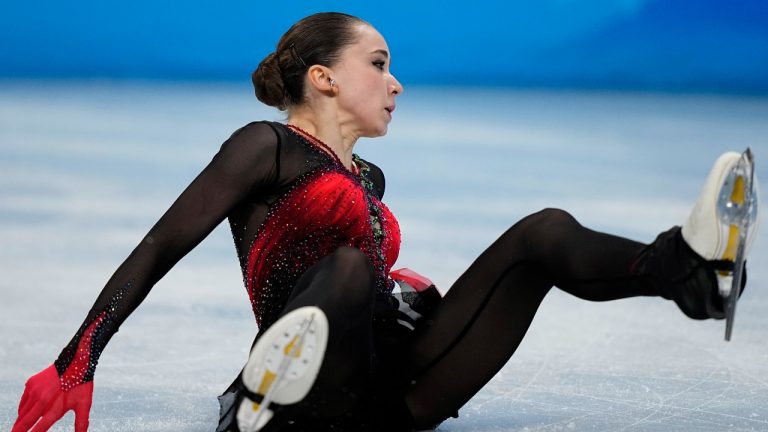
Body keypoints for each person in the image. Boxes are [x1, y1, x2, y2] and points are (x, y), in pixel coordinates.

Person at [11, 11, 759, 432]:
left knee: (543, 228)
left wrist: (401, 292)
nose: (396, 81)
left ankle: (688, 273)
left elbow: (373, 276)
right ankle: (264, 405)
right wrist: (79, 360)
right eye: (379, 62)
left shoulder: (369, 178)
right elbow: (160, 244)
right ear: (324, 77)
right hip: (311, 393)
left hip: (396, 391)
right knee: (344, 268)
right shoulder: (263, 147)